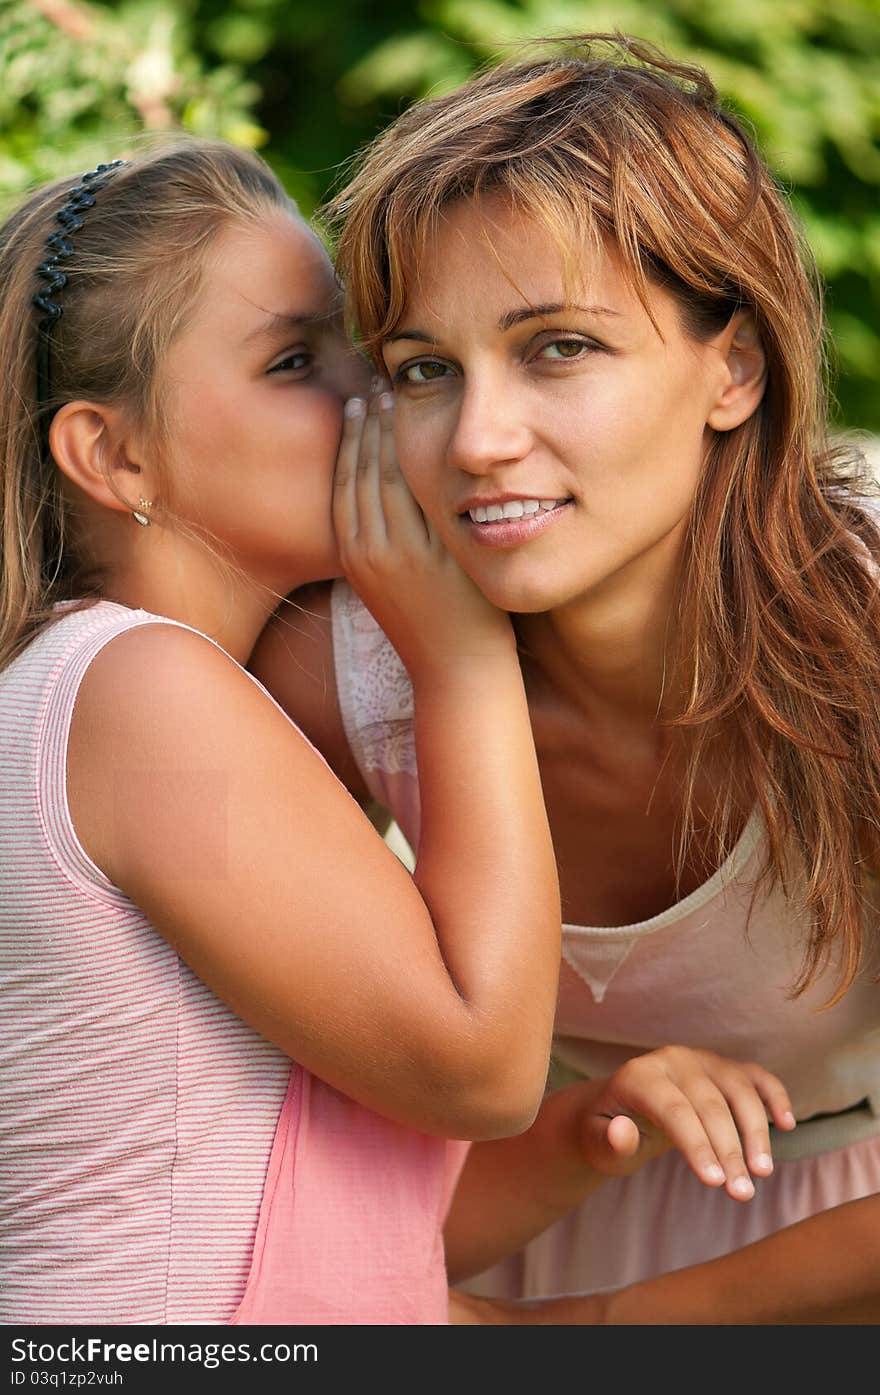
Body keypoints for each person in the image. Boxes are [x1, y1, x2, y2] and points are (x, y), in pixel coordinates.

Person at [0, 136, 790, 1327]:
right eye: (292, 361)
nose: (373, 396)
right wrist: (462, 661)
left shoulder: (161, 691)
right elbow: (479, 1065)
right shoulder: (137, 693)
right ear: (114, 455)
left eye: (363, 350)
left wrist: (589, 1133)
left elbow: (312, 1194)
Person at [249, 33, 880, 1323]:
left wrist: (592, 1334)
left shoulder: (863, 617)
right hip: (515, 1221)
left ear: (734, 370)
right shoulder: (345, 676)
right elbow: (236, 1113)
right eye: (425, 369)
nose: (479, 440)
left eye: (558, 349)